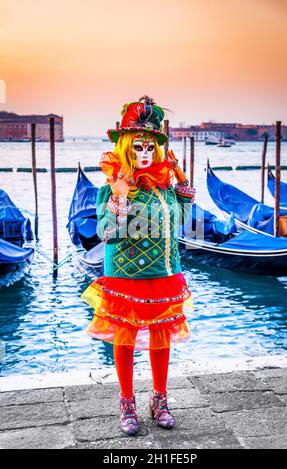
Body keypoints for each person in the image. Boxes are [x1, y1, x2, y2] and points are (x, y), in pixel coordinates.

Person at [81, 96, 196, 436]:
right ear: (127, 149)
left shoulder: (166, 190)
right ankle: (127, 402)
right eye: (138, 148)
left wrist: (183, 190)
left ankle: (159, 399)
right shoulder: (112, 189)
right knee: (125, 337)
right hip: (125, 276)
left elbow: (180, 225)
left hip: (163, 273)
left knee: (162, 337)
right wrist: (118, 198)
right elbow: (107, 235)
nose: (145, 154)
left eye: (150, 148)